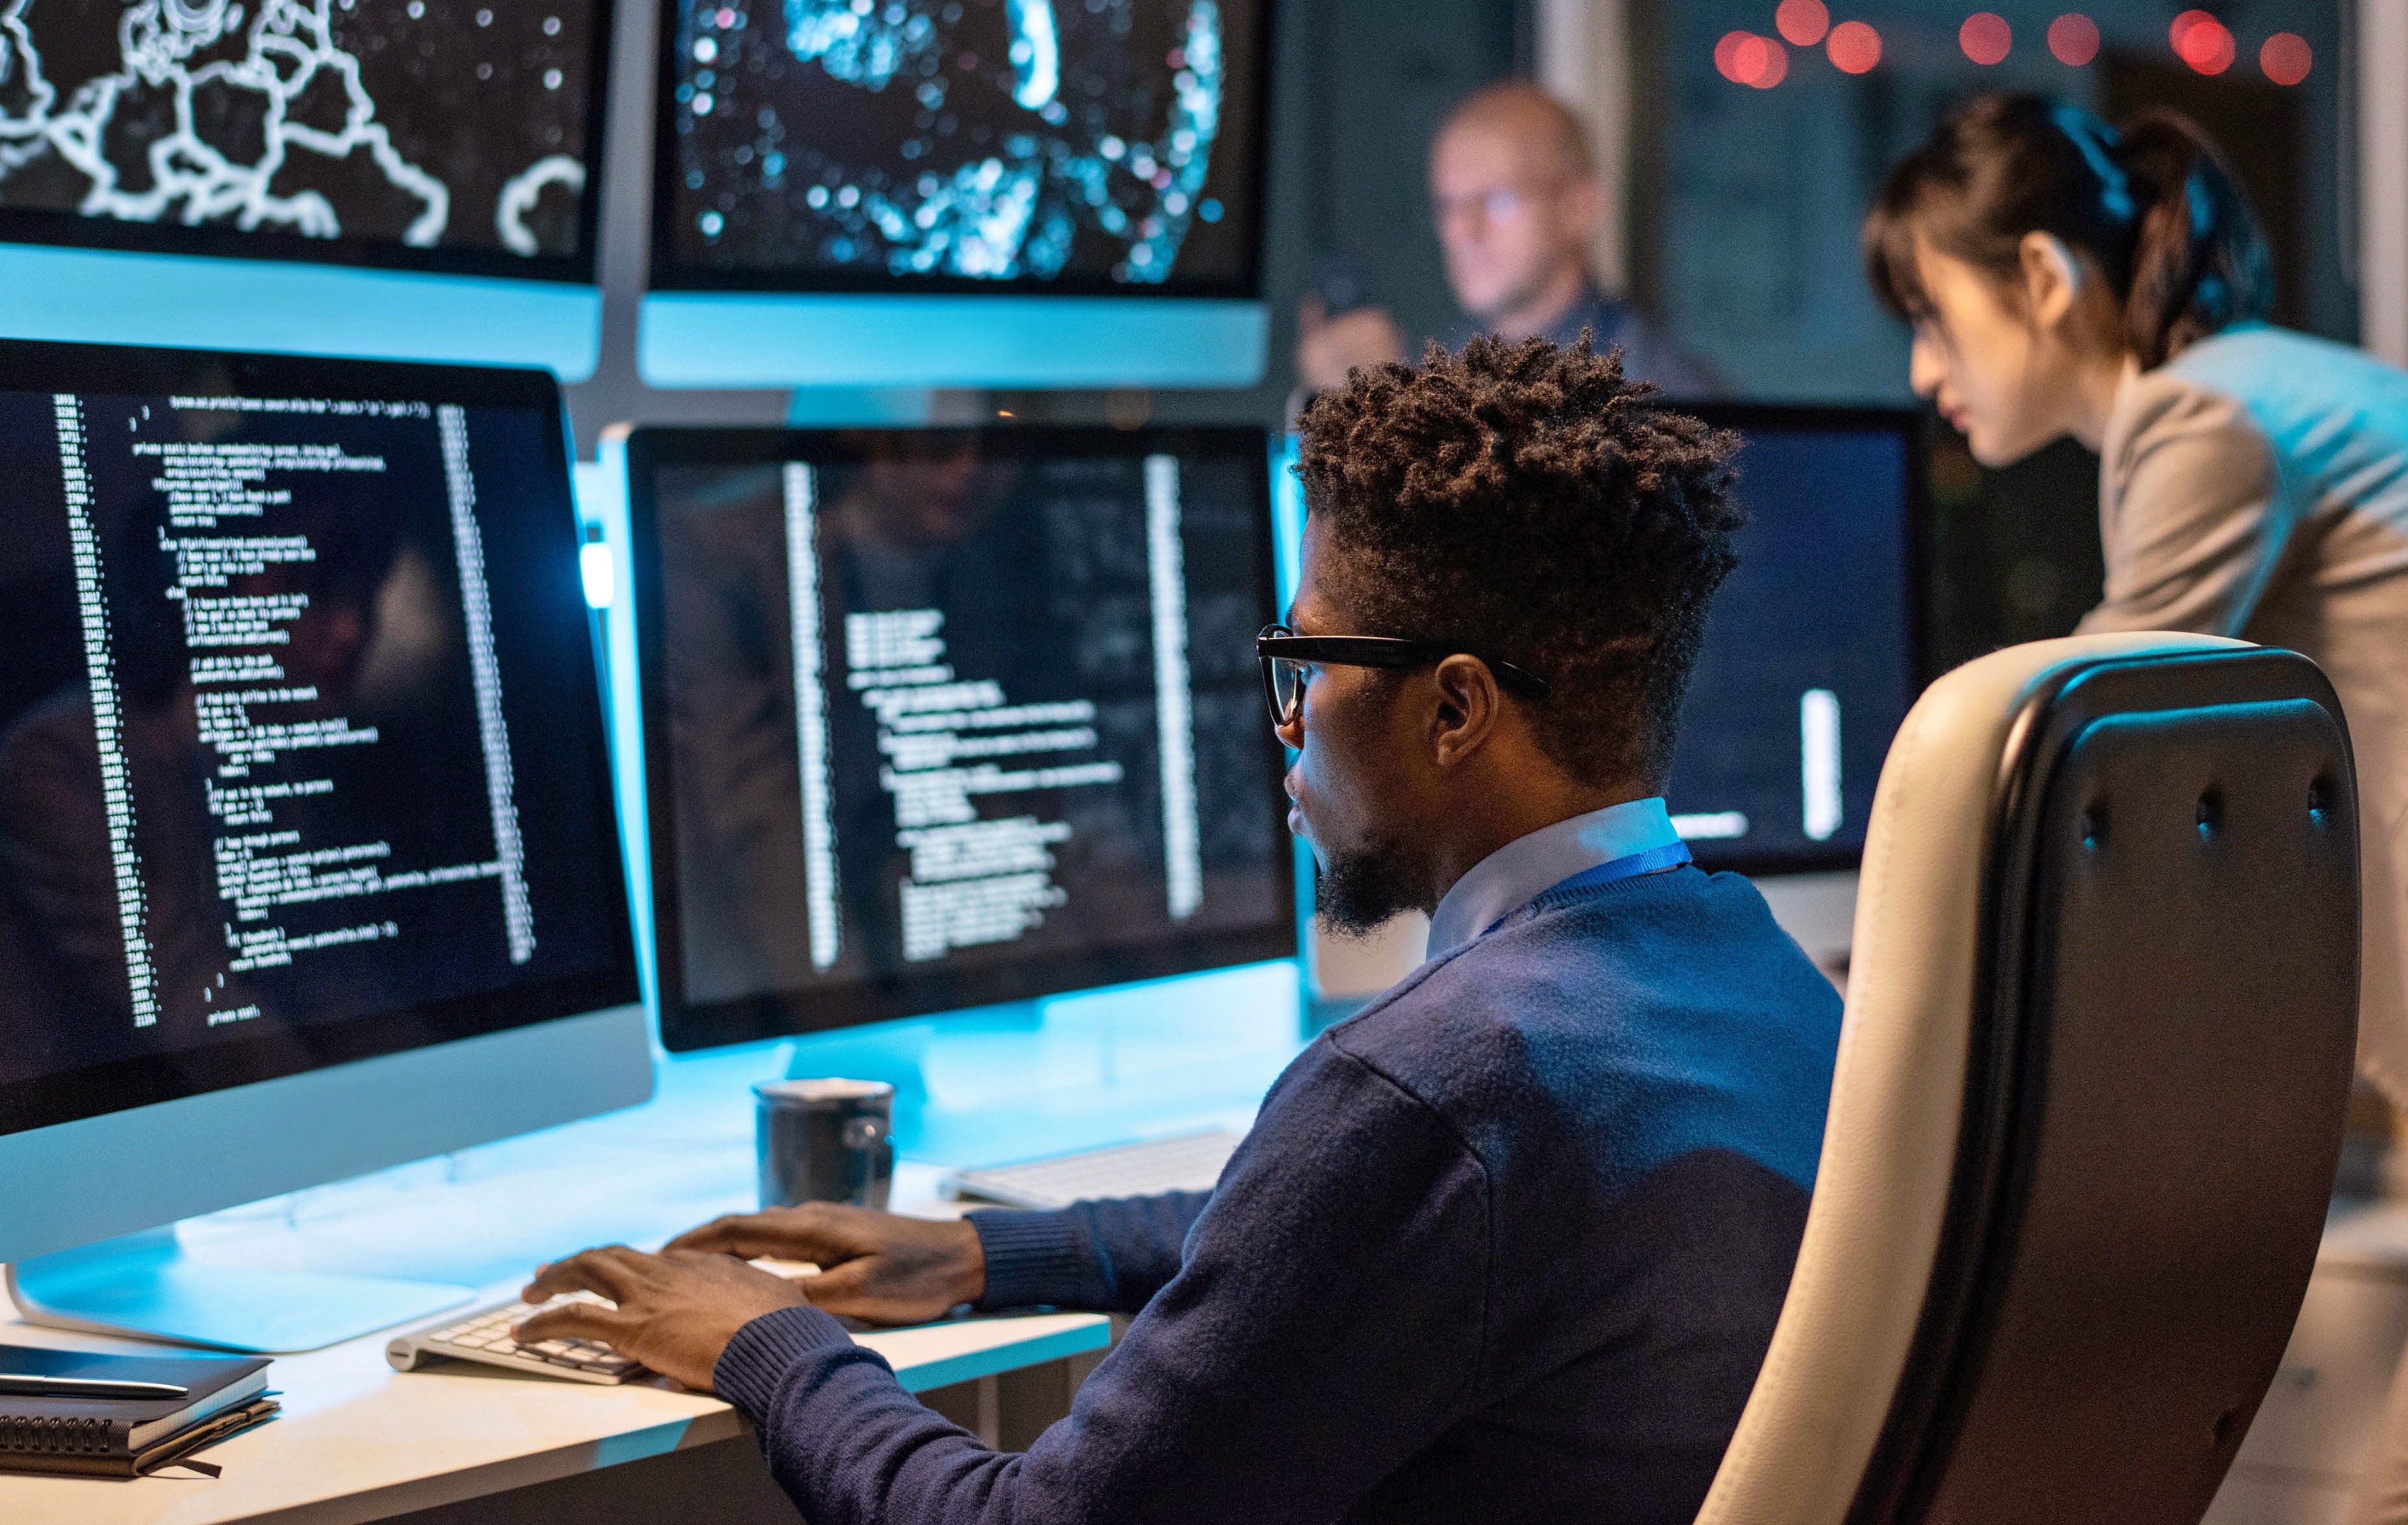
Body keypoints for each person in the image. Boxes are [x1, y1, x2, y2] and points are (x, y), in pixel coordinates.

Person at [515, 336, 1841, 1524]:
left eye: (1308, 663)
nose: (1286, 717)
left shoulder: (1428, 1090)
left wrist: (771, 1341)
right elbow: (1349, 1228)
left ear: (1453, 710)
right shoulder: (1764, 982)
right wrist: (990, 1252)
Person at [1866, 90, 2408, 1525]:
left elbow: (2078, 741)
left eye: (1935, 316)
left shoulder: (2197, 419)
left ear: (2040, 277)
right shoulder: (2288, 380)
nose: (1922, 370)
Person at [1297, 82, 1721, 398]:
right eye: (1449, 206)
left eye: (1499, 200)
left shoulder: (1659, 398)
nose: (1464, 231)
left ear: (1580, 207)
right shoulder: (1443, 370)